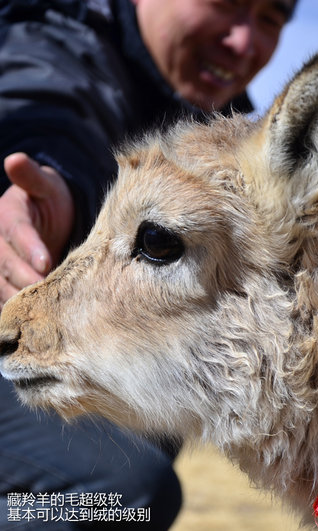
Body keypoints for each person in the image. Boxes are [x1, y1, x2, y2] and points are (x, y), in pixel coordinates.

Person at [0, 0, 297, 528]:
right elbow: (50, 102)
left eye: (272, 17)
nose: (245, 42)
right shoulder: (57, 28)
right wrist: (56, 181)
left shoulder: (221, 121)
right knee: (122, 493)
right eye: (225, 3)